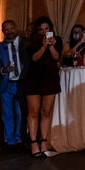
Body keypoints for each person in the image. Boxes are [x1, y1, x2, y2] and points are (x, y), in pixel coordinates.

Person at [24, 16, 62, 158]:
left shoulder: (57, 40)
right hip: (34, 79)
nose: (44, 32)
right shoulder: (32, 42)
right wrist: (43, 46)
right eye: (41, 30)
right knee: (33, 112)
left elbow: (56, 57)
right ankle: (34, 143)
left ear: (51, 29)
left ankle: (44, 141)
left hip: (50, 79)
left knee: (46, 112)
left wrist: (51, 45)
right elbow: (34, 58)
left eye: (47, 29)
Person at [0, 20, 30, 150]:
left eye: (11, 28)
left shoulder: (25, 43)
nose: (9, 32)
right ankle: (9, 141)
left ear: (16, 28)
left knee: (20, 113)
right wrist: (4, 70)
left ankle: (20, 138)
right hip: (6, 84)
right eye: (6, 29)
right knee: (7, 113)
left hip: (21, 83)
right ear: (3, 31)